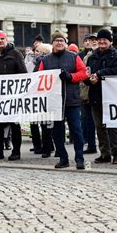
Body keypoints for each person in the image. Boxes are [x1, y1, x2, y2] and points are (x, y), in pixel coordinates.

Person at [38, 30, 88, 170]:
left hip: (72, 100)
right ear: (52, 43)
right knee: (57, 132)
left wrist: (71, 77)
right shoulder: (45, 60)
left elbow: (84, 73)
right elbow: (39, 78)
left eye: (62, 40)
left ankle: (80, 158)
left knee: (77, 130)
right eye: (56, 40)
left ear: (65, 43)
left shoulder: (73, 57)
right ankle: (63, 158)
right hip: (54, 102)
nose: (59, 43)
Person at [0, 30, 27, 161]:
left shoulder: (16, 54)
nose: (0, 41)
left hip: (13, 96)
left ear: (6, 40)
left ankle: (16, 151)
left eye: (2, 38)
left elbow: (23, 74)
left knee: (14, 124)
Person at [84, 29, 117, 164]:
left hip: (111, 96)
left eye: (104, 40)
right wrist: (90, 79)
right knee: (100, 127)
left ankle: (116, 153)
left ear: (110, 41)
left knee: (113, 127)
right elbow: (87, 74)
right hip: (96, 95)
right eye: (99, 40)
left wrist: (100, 74)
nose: (101, 42)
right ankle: (105, 153)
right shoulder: (92, 57)